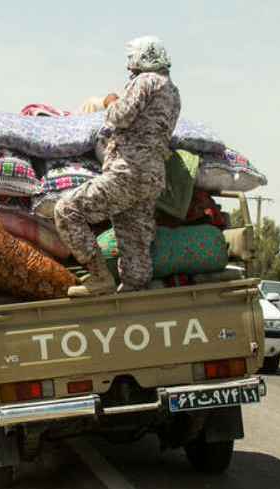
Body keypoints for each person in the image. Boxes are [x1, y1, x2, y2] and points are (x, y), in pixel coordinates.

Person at [55, 36, 181, 296]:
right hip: (151, 178)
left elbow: (120, 116)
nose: (128, 65)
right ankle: (135, 290)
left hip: (128, 172)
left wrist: (110, 101)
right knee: (134, 240)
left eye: (131, 58)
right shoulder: (173, 91)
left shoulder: (145, 82)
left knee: (67, 209)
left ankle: (99, 277)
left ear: (144, 56)